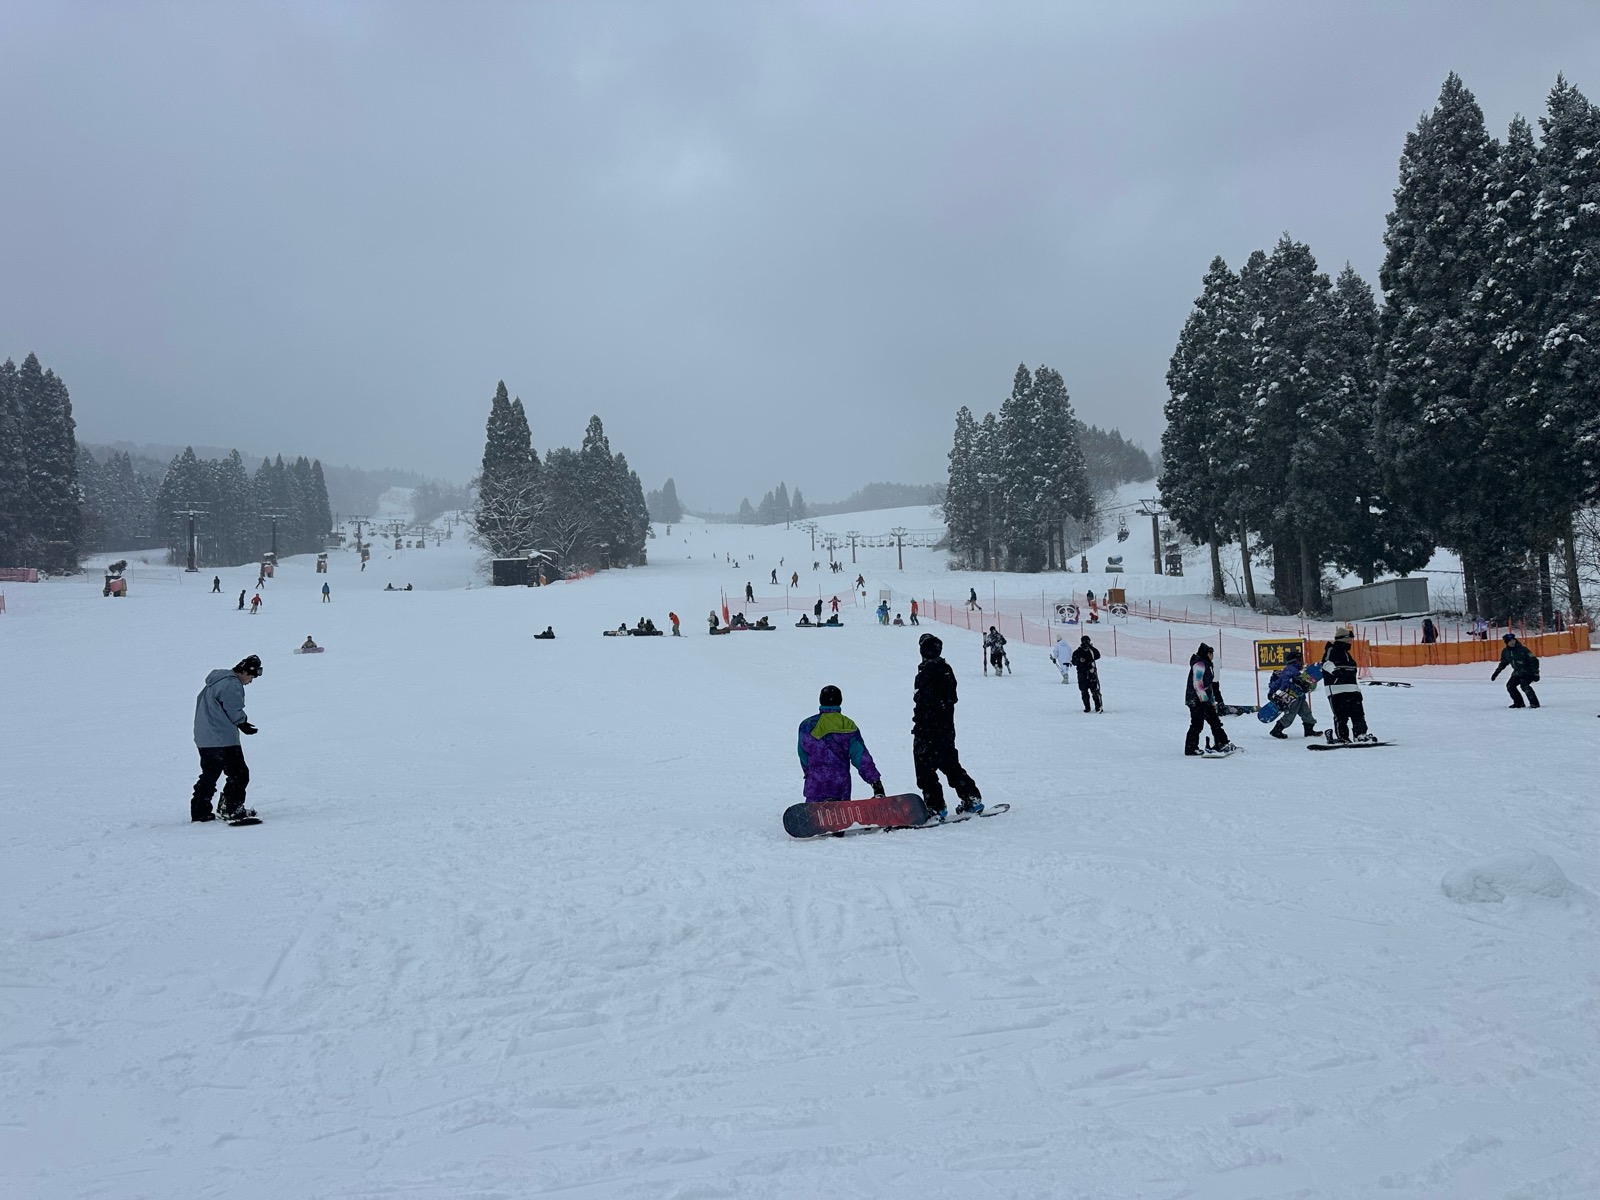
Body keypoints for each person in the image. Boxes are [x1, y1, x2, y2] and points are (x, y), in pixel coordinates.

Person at [913, 633, 982, 819]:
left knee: (925, 769)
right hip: (945, 728)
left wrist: (921, 723)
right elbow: (951, 698)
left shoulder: (927, 673)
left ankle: (936, 806)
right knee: (949, 763)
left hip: (928, 730)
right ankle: (971, 797)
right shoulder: (946, 670)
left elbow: (924, 703)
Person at [190, 654, 262, 822]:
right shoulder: (231, 683)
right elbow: (232, 706)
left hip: (205, 738)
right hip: (222, 739)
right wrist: (242, 723)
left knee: (210, 774)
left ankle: (200, 811)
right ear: (244, 671)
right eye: (251, 676)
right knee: (239, 773)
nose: (250, 681)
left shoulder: (214, 683)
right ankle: (231, 808)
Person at [798, 685, 885, 802]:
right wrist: (875, 782)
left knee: (815, 816)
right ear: (840, 701)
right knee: (840, 817)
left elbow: (802, 754)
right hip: (840, 786)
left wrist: (810, 772)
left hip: (815, 785)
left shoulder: (806, 725)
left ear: (820, 700)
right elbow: (861, 757)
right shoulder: (848, 725)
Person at [1320, 626, 1375, 743]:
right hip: (1336, 690)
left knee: (1358, 714)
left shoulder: (1347, 654)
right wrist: (1334, 671)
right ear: (1343, 639)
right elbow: (1326, 663)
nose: (1351, 642)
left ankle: (1360, 734)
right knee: (1341, 716)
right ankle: (1343, 737)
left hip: (1352, 689)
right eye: (1349, 640)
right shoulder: (1331, 650)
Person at [1184, 642, 1232, 756]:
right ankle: (1191, 748)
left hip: (1203, 699)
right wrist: (1204, 700)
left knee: (1215, 721)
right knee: (1197, 723)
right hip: (1195, 700)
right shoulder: (1199, 664)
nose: (1212, 656)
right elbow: (1197, 684)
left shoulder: (1207, 665)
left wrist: (1211, 702)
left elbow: (1208, 686)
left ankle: (1222, 742)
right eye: (1211, 653)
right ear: (1206, 653)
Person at [1266, 647, 1319, 739]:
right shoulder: (1291, 670)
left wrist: (1271, 692)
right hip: (1292, 696)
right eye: (1299, 660)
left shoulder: (1293, 670)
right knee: (1290, 714)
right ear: (1294, 661)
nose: (1301, 662)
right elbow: (1285, 683)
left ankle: (1309, 730)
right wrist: (1292, 685)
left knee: (1306, 712)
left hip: (1299, 696)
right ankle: (1276, 730)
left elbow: (1277, 682)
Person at [1491, 633, 1541, 709]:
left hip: (1528, 671)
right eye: (1510, 641)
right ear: (1507, 643)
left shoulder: (1522, 649)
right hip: (1517, 672)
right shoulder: (1506, 652)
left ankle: (1534, 704)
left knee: (1524, 686)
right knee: (1510, 686)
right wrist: (1496, 673)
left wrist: (1536, 673)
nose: (1512, 642)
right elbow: (1503, 663)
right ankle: (1519, 703)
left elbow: (1534, 661)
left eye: (1513, 640)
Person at [1071, 635, 1103, 713]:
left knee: (1095, 690)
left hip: (1091, 673)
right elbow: (1073, 662)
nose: (1086, 643)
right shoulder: (1077, 652)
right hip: (1082, 674)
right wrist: (1079, 660)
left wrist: (1091, 647)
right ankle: (1087, 707)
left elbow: (1098, 655)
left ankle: (1098, 707)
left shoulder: (1091, 651)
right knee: (1084, 691)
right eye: (1085, 641)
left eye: (1088, 641)